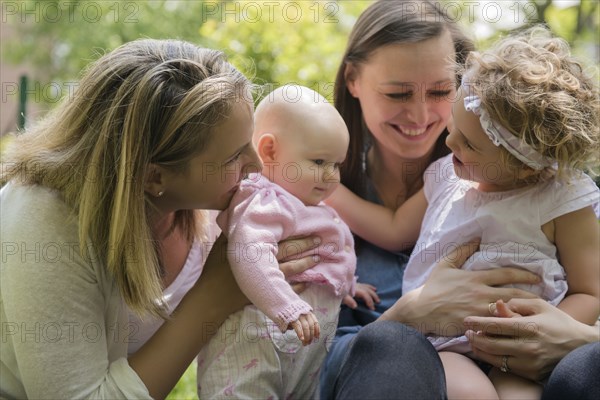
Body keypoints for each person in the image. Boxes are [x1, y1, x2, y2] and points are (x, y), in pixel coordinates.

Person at [0, 39, 321, 399]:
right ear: (153, 178)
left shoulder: (207, 202)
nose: (257, 166)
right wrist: (214, 296)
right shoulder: (44, 223)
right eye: (234, 157)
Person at [319, 1, 600, 398]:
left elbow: (591, 292)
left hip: (523, 350)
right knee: (398, 351)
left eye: (439, 91)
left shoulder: (558, 193)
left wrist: (567, 335)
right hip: (432, 358)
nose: (420, 117)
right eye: (398, 93)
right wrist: (408, 316)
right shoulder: (443, 178)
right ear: (353, 79)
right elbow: (305, 357)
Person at [196, 85, 377, 399]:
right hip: (256, 341)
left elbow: (321, 253)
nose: (331, 176)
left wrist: (346, 282)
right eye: (319, 162)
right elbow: (250, 254)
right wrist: (287, 307)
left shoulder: (304, 204)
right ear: (270, 151)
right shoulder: (264, 201)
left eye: (337, 165)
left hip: (302, 350)